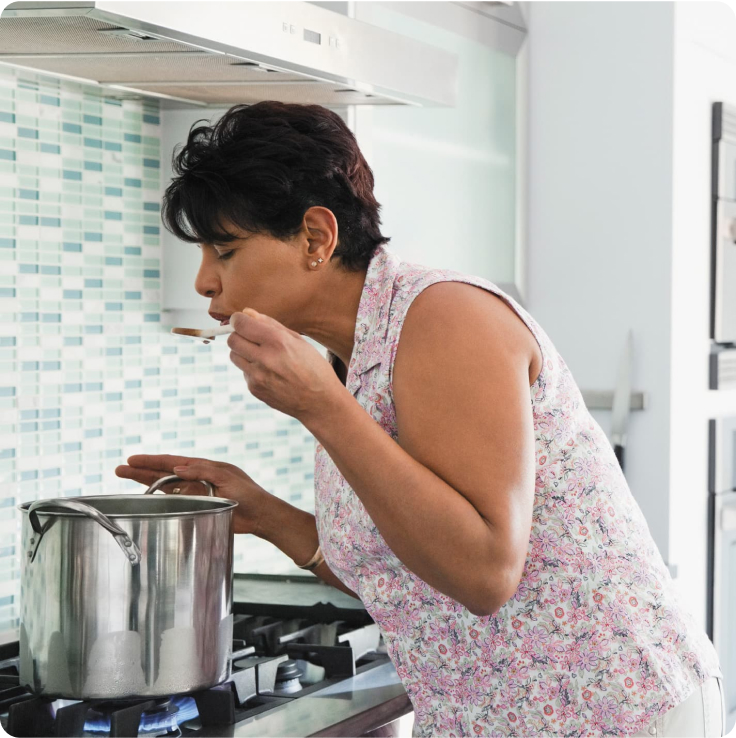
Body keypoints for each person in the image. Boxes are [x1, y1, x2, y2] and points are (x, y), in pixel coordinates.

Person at [115, 101, 724, 737]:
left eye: (225, 250)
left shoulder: (442, 318)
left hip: (614, 713)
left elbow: (483, 574)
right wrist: (262, 512)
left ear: (317, 238)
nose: (205, 282)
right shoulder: (354, 355)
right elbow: (413, 571)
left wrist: (323, 406)